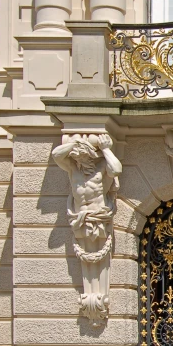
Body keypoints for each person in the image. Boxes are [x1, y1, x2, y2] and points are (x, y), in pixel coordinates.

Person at [52, 134, 122, 324]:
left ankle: (99, 298)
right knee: (88, 260)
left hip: (99, 219)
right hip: (80, 220)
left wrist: (106, 148)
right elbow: (56, 155)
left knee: (97, 258)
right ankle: (92, 298)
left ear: (91, 155)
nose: (79, 160)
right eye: (76, 157)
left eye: (82, 156)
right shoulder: (73, 169)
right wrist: (74, 142)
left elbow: (116, 169)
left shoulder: (101, 169)